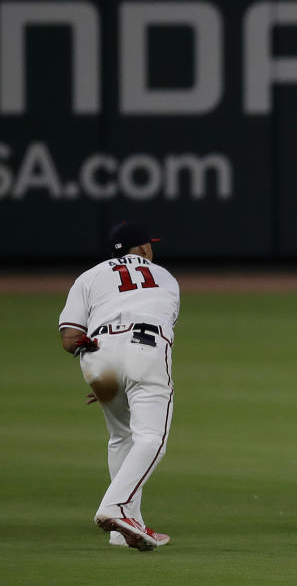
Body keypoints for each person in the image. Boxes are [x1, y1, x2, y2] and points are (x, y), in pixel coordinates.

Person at [57, 221, 179, 551]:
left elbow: (69, 339)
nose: (151, 249)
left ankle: (123, 530)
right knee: (152, 437)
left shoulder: (89, 277)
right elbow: (161, 319)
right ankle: (116, 508)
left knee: (121, 436)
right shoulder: (165, 278)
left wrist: (103, 371)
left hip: (98, 354)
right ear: (140, 249)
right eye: (148, 244)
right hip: (146, 348)